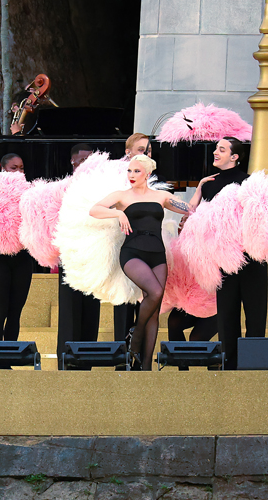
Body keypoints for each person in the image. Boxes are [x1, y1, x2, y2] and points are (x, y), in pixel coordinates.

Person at [89, 155, 191, 370]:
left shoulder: (161, 196)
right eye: (129, 171)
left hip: (157, 254)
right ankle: (135, 335)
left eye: (136, 171)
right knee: (154, 293)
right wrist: (117, 212)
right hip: (132, 252)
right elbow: (94, 210)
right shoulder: (121, 196)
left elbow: (190, 209)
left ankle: (145, 367)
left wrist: (198, 188)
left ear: (148, 174)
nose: (132, 175)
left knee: (155, 309)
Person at [189, 137, 264, 370]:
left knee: (255, 312)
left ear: (235, 157)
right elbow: (194, 215)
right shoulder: (209, 184)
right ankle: (229, 363)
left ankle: (254, 361)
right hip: (223, 259)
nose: (215, 152)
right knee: (227, 314)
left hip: (251, 257)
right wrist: (200, 186)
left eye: (221, 149)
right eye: (215, 148)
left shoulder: (249, 182)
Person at [56, 144, 100, 361]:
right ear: (73, 163)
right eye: (83, 161)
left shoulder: (102, 188)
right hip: (71, 252)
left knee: (92, 306)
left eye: (91, 160)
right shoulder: (63, 187)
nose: (88, 165)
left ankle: (88, 358)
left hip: (94, 253)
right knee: (70, 308)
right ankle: (67, 359)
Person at [0, 155, 36, 348]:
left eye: (22, 168)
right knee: (0, 311)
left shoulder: (29, 192)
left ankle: (9, 356)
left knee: (15, 313)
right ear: (3, 169)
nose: (19, 172)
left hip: (22, 258)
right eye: (14, 168)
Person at [113, 133, 153, 345]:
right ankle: (122, 349)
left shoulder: (155, 183)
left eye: (148, 150)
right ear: (128, 153)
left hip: (149, 247)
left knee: (146, 297)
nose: (145, 154)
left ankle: (140, 349)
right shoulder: (117, 179)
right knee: (124, 298)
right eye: (140, 150)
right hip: (123, 245)